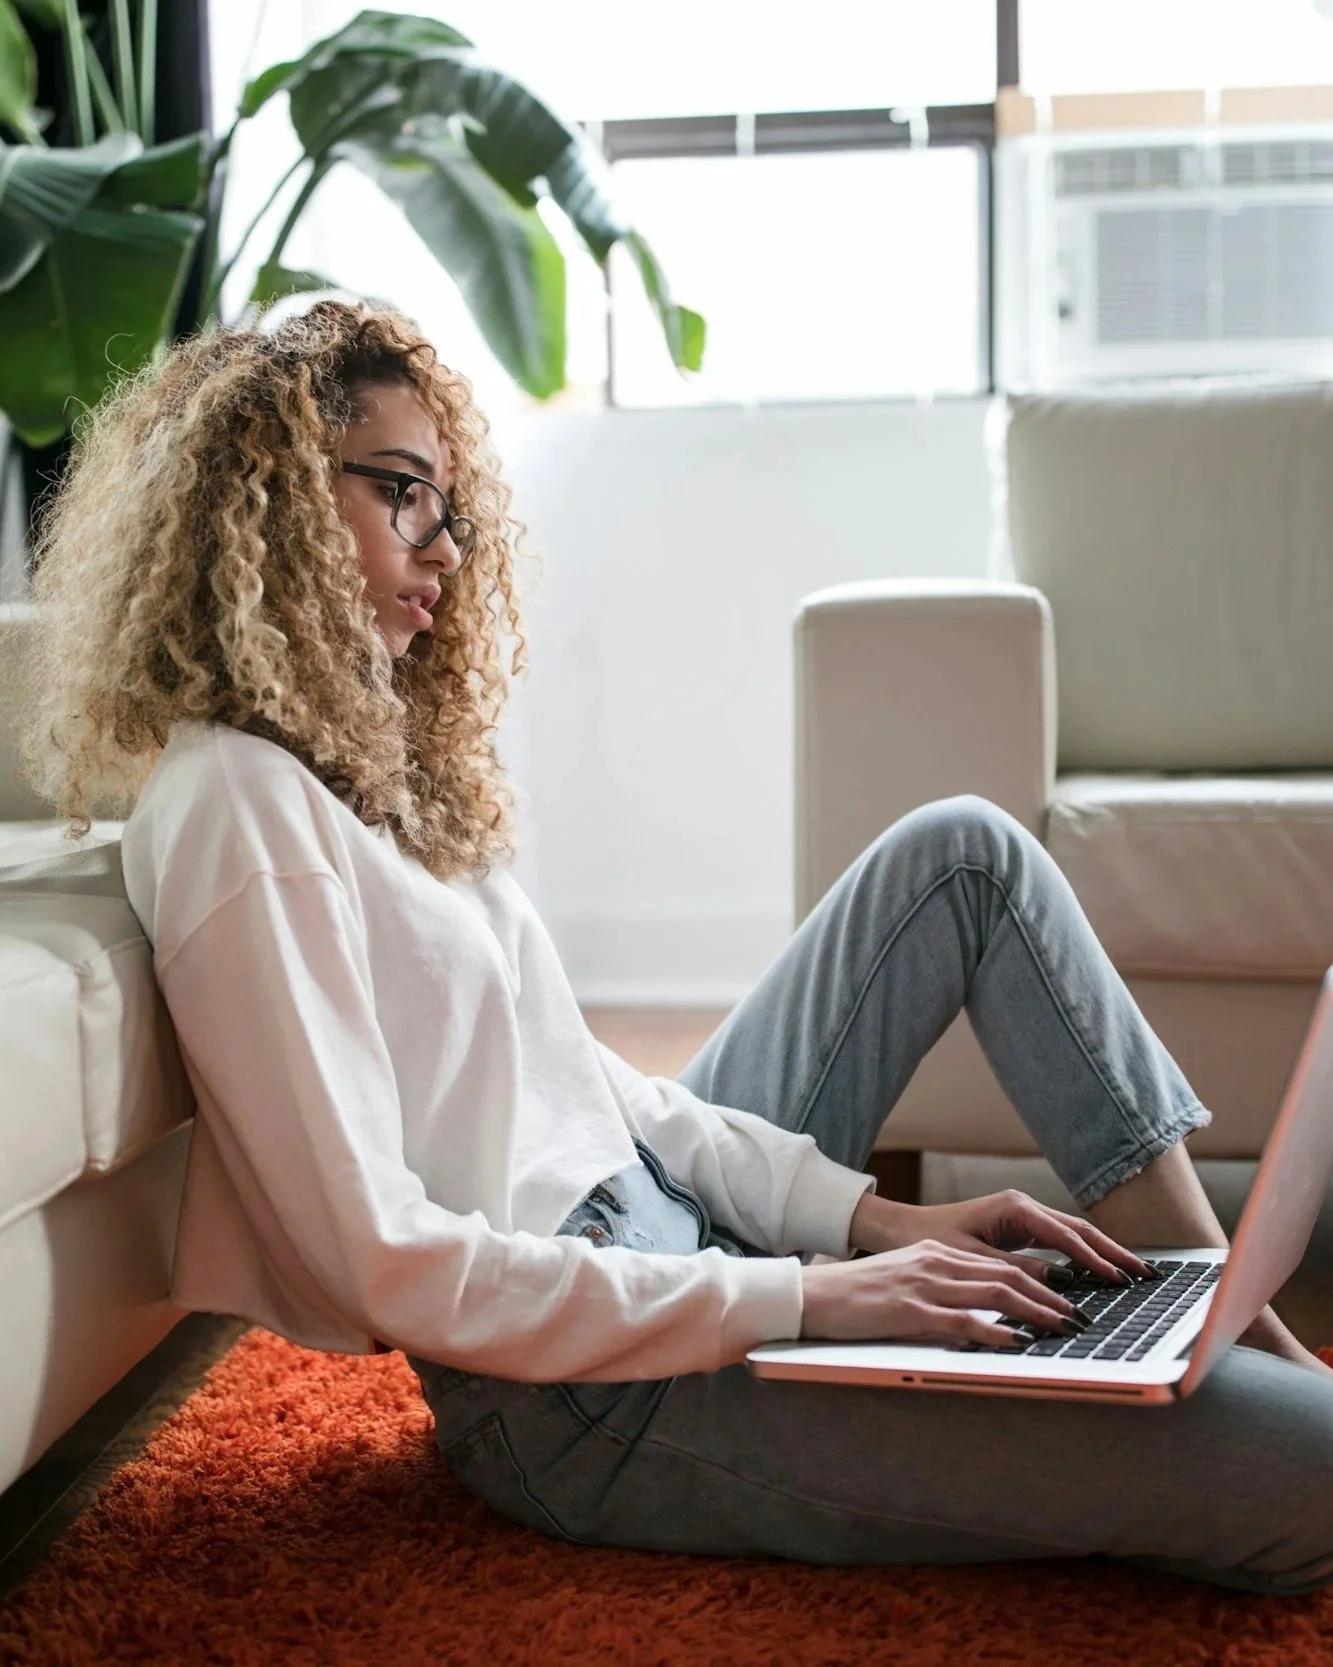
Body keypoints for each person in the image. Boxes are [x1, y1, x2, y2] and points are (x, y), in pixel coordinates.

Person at [11, 300, 1333, 1597]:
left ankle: (1215, 1304)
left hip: (672, 1240)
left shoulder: (375, 772)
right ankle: (1216, 1360)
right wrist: (803, 1298)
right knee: (1313, 1481)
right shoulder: (239, 807)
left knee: (962, 854)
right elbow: (386, 1259)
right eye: (402, 492)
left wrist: (868, 1219)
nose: (448, 547)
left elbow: (598, 1091)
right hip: (588, 1397)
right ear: (276, 498)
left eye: (451, 506)